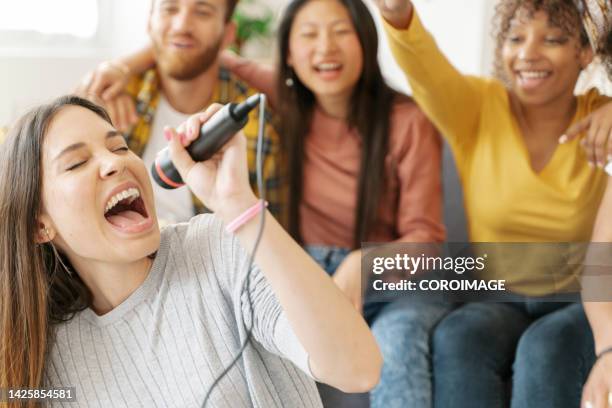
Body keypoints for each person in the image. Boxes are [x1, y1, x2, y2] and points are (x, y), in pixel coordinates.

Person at [85, 1, 449, 407]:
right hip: (305, 265)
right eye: (309, 35)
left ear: (366, 39)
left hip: (389, 283)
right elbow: (193, 47)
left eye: (341, 32)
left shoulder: (406, 120)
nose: (326, 48)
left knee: (396, 348)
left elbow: (428, 239)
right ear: (289, 53)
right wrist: (120, 67)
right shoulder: (282, 97)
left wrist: (364, 264)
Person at [0, 95, 382, 407]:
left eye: (119, 146)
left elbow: (357, 369)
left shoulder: (219, 248)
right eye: (77, 163)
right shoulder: (48, 360)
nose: (114, 162)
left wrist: (238, 207)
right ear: (39, 225)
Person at [373, 0, 612, 407]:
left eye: (552, 39)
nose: (528, 53)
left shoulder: (601, 120)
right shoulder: (477, 109)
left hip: (579, 301)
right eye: (515, 38)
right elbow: (424, 67)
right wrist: (397, 13)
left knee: (545, 346)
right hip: (499, 296)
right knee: (459, 335)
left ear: (584, 53)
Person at [77, 0, 285, 225]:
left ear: (228, 33)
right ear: (150, 22)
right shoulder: (115, 94)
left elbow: (267, 241)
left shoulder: (255, 126)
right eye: (169, 8)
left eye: (203, 12)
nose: (181, 25)